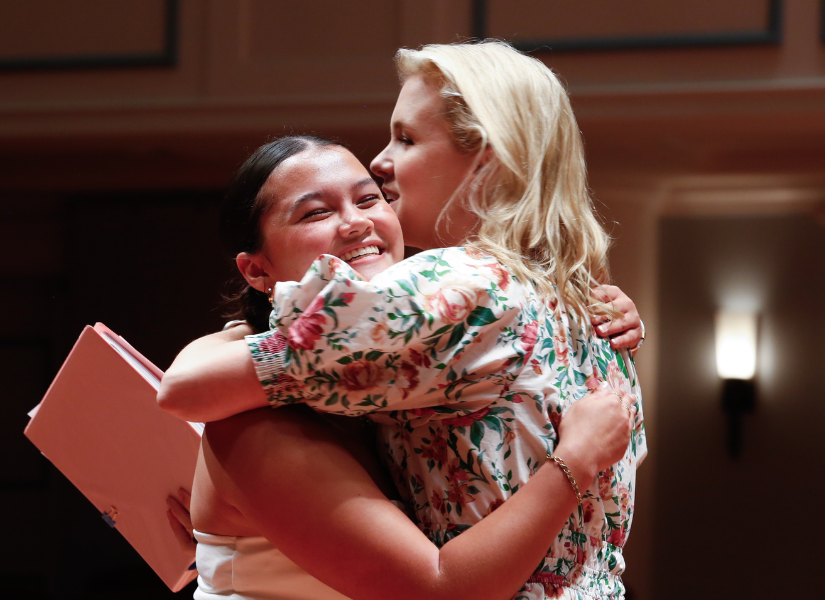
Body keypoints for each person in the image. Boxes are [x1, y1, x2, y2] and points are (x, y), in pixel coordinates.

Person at [160, 41, 648, 600]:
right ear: (256, 269)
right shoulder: (265, 418)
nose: (359, 219)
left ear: (484, 157)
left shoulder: (433, 331)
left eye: (370, 199)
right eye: (316, 212)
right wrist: (574, 460)